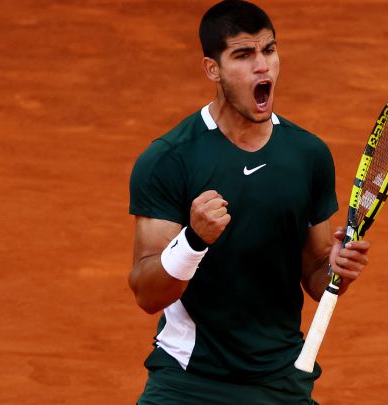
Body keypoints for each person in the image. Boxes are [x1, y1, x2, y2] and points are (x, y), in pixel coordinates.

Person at [127, 1, 370, 403]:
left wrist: (336, 270)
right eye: (243, 55)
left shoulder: (308, 156)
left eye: (269, 50)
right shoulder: (169, 160)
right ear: (213, 69)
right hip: (189, 382)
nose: (262, 66)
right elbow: (147, 295)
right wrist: (193, 242)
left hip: (280, 380)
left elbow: (315, 275)